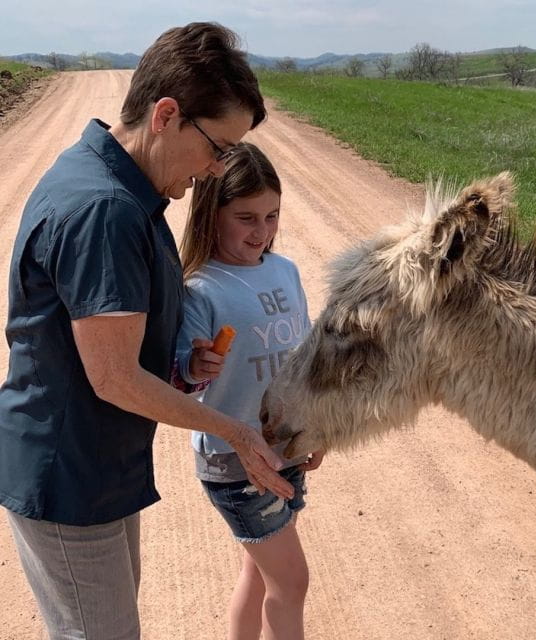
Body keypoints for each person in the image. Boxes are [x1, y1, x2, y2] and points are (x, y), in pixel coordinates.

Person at [0, 22, 293, 640]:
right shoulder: (105, 208)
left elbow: (115, 350)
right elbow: (113, 378)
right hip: (70, 474)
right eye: (217, 147)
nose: (217, 169)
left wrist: (182, 368)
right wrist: (235, 432)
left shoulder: (115, 183)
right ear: (166, 115)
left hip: (94, 466)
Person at [175, 142, 323, 640]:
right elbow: (181, 379)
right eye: (246, 218)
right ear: (211, 214)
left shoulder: (286, 272)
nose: (261, 232)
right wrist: (196, 364)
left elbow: (302, 357)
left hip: (286, 448)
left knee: (259, 575)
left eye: (272, 216)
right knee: (292, 581)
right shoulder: (200, 288)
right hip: (234, 459)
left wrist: (314, 425)